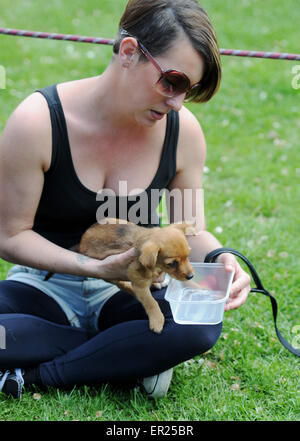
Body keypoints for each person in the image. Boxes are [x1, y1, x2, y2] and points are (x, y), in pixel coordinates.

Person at [0, 0, 251, 399]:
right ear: (130, 52)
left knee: (201, 326)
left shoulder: (181, 131)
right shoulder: (39, 121)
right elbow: (10, 237)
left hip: (132, 290)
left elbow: (192, 227)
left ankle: (34, 376)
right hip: (45, 287)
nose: (177, 102)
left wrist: (221, 258)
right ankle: (121, 354)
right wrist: (91, 267)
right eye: (172, 81)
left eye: (190, 89)